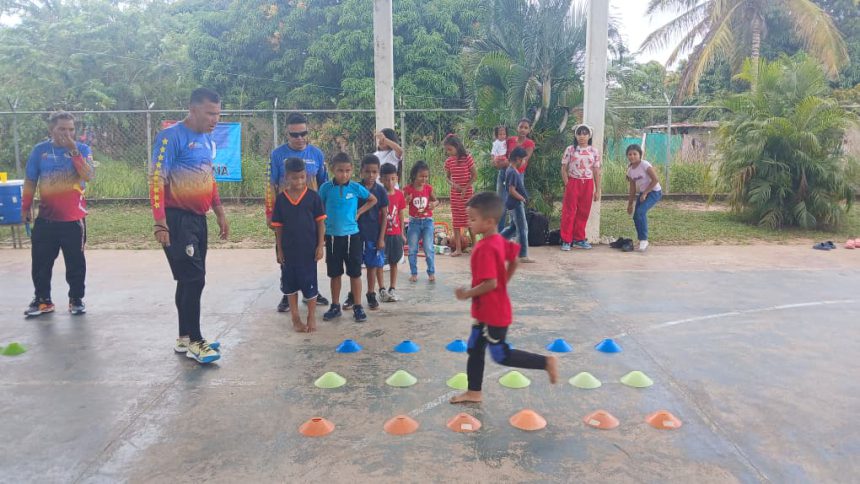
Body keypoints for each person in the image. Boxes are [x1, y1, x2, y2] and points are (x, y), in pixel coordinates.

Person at [450, 192, 558, 404]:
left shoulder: (485, 248)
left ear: (489, 222)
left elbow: (490, 283)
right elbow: (515, 260)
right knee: (474, 347)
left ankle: (546, 362)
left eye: (473, 219)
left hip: (493, 313)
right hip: (487, 310)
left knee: (501, 355)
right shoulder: (500, 240)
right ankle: (474, 392)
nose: (469, 224)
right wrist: (504, 282)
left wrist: (467, 294)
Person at [150, 87, 229, 364]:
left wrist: (219, 212)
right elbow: (157, 180)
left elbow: (209, 178)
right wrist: (160, 222)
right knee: (194, 279)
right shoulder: (170, 138)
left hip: (199, 218)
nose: (214, 119)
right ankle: (196, 341)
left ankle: (184, 337)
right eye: (210, 113)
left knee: (189, 279)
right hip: (177, 220)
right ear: (193, 110)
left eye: (218, 114)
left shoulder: (207, 140)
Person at [21, 111, 95, 317]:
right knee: (41, 262)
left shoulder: (82, 149)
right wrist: (25, 207)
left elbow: (88, 175)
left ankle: (76, 299)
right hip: (46, 218)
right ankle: (43, 300)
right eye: (62, 129)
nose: (67, 133)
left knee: (75, 262)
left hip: (73, 220)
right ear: (51, 129)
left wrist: (73, 151)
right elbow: (30, 181)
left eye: (71, 129)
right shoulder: (40, 151)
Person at [267, 112, 330, 313]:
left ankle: (312, 291)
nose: (300, 138)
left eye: (304, 133)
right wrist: (269, 213)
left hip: (310, 217)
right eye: (295, 135)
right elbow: (271, 185)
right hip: (286, 215)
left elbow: (324, 185)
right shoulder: (277, 155)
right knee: (285, 254)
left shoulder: (317, 154)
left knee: (311, 255)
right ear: (287, 134)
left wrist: (325, 215)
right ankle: (288, 294)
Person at [318, 152, 377, 322]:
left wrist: (359, 212)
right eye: (340, 170)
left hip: (353, 236)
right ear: (332, 170)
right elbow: (319, 208)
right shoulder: (325, 188)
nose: (344, 174)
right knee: (335, 273)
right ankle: (335, 306)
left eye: (347, 170)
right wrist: (322, 230)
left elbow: (372, 200)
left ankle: (358, 306)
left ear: (352, 171)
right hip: (332, 237)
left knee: (355, 273)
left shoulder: (355, 188)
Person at [271, 157, 326, 333]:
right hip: (288, 251)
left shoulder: (313, 197)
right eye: (295, 178)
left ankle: (311, 315)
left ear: (307, 176)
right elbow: (278, 227)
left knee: (310, 284)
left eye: (302, 177)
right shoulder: (280, 200)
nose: (299, 181)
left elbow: (320, 224)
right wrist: (279, 249)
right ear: (287, 177)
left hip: (308, 251)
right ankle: (295, 318)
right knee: (290, 285)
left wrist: (320, 246)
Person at [343, 155, 389, 311]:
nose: (371, 175)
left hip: (373, 235)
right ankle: (352, 295)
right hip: (355, 235)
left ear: (378, 173)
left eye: (374, 172)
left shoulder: (381, 191)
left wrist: (381, 238)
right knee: (355, 267)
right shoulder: (355, 188)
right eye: (367, 171)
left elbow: (384, 216)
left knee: (372, 266)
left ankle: (371, 294)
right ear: (361, 172)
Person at [559, 124, 601, 251]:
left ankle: (579, 239)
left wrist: (597, 190)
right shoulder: (570, 149)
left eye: (585, 134)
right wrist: (568, 183)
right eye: (579, 133)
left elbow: (596, 170)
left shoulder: (594, 151)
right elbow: (563, 168)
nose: (582, 136)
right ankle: (566, 240)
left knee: (583, 212)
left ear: (589, 136)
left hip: (588, 184)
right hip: (573, 182)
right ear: (576, 135)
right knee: (569, 211)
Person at [404, 160, 438, 283]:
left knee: (428, 248)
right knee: (412, 249)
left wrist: (434, 204)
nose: (424, 179)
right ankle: (413, 273)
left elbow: (436, 200)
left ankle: (431, 272)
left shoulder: (428, 189)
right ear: (414, 175)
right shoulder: (408, 189)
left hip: (428, 221)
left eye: (426, 176)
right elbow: (401, 204)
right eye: (421, 176)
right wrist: (406, 200)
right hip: (414, 222)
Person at [443, 135, 477, 257]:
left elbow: (474, 176)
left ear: (457, 146)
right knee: (456, 221)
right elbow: (447, 177)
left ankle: (475, 246)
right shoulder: (449, 161)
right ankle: (458, 248)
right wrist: (454, 185)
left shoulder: (467, 158)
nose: (448, 152)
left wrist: (466, 187)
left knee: (469, 220)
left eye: (450, 149)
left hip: (467, 194)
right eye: (447, 150)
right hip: (455, 194)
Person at [499, 147, 534, 263]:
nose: (524, 162)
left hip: (512, 203)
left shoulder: (510, 170)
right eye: (523, 160)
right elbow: (512, 190)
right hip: (516, 204)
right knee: (523, 228)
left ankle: (496, 242)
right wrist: (522, 199)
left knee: (513, 227)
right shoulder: (513, 172)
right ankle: (523, 254)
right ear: (518, 159)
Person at [625, 144, 662, 252]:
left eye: (635, 154)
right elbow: (632, 189)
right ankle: (641, 240)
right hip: (643, 193)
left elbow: (655, 179)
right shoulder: (630, 171)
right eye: (630, 154)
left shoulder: (645, 164)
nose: (632, 156)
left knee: (641, 212)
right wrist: (630, 204)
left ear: (640, 155)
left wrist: (646, 193)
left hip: (654, 192)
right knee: (636, 216)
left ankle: (644, 240)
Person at [379, 163, 405, 302]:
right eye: (387, 179)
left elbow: (401, 214)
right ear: (381, 179)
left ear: (397, 179)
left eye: (393, 179)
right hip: (382, 235)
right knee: (380, 263)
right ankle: (382, 289)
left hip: (395, 234)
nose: (390, 182)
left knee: (394, 262)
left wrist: (402, 233)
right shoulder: (378, 193)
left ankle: (392, 288)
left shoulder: (400, 195)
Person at [497, 118, 535, 196]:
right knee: (500, 200)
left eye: (526, 128)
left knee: (518, 201)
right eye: (521, 127)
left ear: (529, 130)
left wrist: (506, 163)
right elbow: (501, 153)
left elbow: (524, 161)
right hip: (504, 172)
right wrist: (497, 160)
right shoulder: (510, 140)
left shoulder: (529, 144)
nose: (523, 130)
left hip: (517, 174)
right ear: (517, 128)